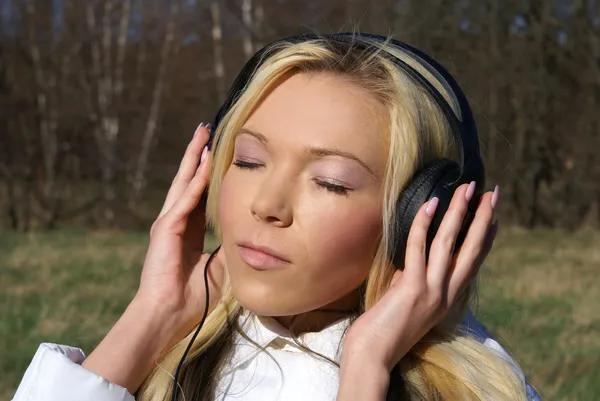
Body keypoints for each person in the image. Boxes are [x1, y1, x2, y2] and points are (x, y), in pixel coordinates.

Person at [12, 33, 542, 401]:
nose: (266, 205)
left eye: (330, 181)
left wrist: (367, 368)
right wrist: (152, 314)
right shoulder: (171, 354)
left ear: (420, 215)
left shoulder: (472, 386)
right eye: (248, 160)